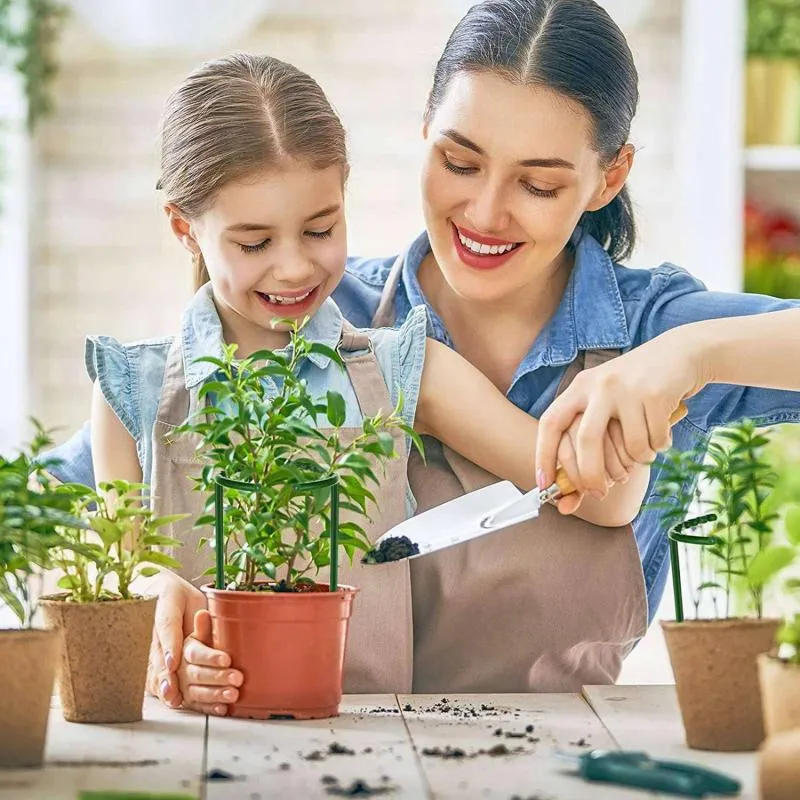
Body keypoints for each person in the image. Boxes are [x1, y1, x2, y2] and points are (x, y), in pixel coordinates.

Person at [47, 0, 800, 713]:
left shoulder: (649, 327)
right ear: (424, 131)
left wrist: (689, 353)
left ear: (610, 176)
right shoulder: (313, 309)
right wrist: (143, 601)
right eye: (461, 163)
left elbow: (608, 498)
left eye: (538, 183)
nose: (484, 213)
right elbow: (65, 518)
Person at [82, 51, 647, 716]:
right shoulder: (131, 391)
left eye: (319, 229)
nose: (293, 268)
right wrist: (155, 594)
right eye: (254, 243)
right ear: (185, 228)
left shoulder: (404, 370)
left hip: (376, 753)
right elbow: (110, 579)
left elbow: (604, 500)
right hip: (196, 752)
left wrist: (629, 420)